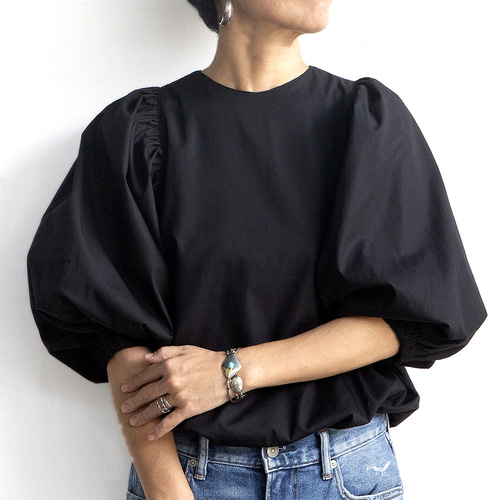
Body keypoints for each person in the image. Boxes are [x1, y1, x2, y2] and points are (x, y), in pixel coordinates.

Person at [27, 0, 487, 499]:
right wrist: (167, 489)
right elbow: (116, 331)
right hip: (194, 474)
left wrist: (231, 371)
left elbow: (408, 316)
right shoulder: (137, 133)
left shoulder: (365, 122)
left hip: (343, 472)